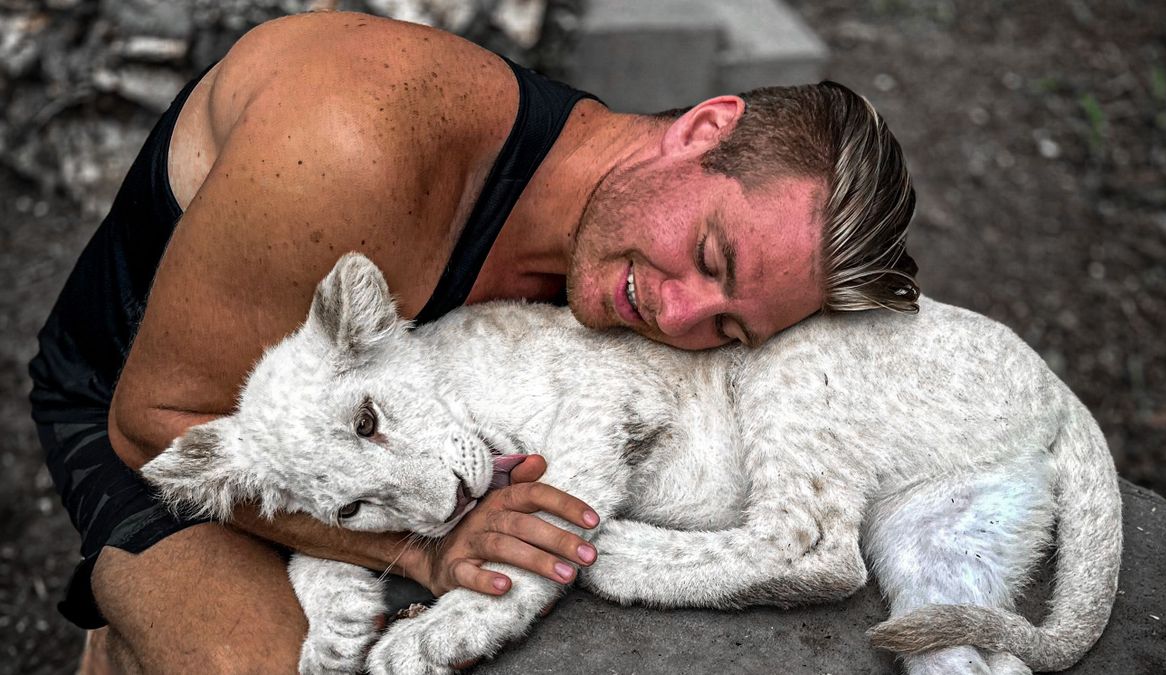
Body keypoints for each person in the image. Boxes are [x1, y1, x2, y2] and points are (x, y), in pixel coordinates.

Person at [28, 10, 918, 673]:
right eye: (711, 255)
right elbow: (151, 421)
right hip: (173, 417)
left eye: (729, 326)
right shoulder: (358, 147)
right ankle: (131, 620)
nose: (681, 316)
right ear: (703, 127)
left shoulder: (616, 244)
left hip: (370, 445)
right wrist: (417, 550)